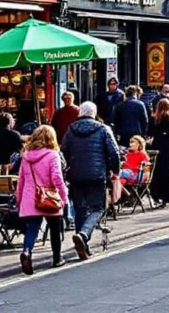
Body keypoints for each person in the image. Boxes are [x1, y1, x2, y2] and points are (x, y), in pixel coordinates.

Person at [61, 101, 120, 260]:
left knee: (79, 209)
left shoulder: (71, 130)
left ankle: (82, 246)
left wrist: (68, 169)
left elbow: (63, 152)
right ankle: (84, 234)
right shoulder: (103, 129)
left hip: (76, 175)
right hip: (97, 174)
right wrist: (115, 171)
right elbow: (114, 153)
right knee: (98, 208)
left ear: (80, 113)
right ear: (94, 113)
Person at [16, 125, 69, 274]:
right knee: (54, 229)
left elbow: (21, 180)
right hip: (49, 196)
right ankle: (57, 258)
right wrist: (64, 196)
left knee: (32, 229)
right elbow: (57, 178)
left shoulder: (26, 156)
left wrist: (19, 199)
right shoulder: (53, 155)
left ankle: (26, 251)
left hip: (30, 197)